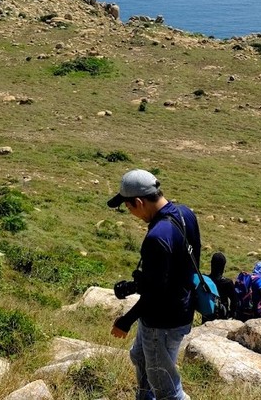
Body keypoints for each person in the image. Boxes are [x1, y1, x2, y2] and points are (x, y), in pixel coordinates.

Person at [108, 169, 200, 400]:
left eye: (128, 207)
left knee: (168, 391)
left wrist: (125, 321)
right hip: (180, 307)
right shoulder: (185, 213)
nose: (130, 213)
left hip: (162, 320)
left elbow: (156, 294)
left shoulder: (157, 236)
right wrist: (134, 286)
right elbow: (181, 267)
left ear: (138, 202)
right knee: (139, 356)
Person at [207, 252, 237, 321]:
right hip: (221, 318)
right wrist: (231, 314)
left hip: (207, 316)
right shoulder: (227, 283)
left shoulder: (205, 280)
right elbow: (234, 301)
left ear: (211, 264)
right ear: (223, 266)